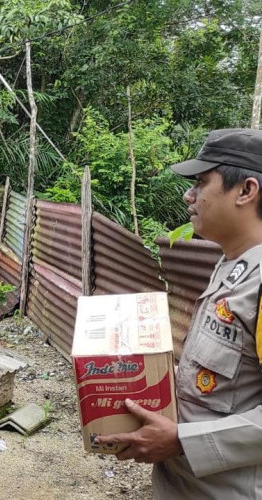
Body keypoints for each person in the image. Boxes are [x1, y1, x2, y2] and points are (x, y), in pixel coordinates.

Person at [96, 128, 262, 498]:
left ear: (246, 191)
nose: (189, 196)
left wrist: (184, 440)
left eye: (201, 183)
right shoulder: (231, 266)